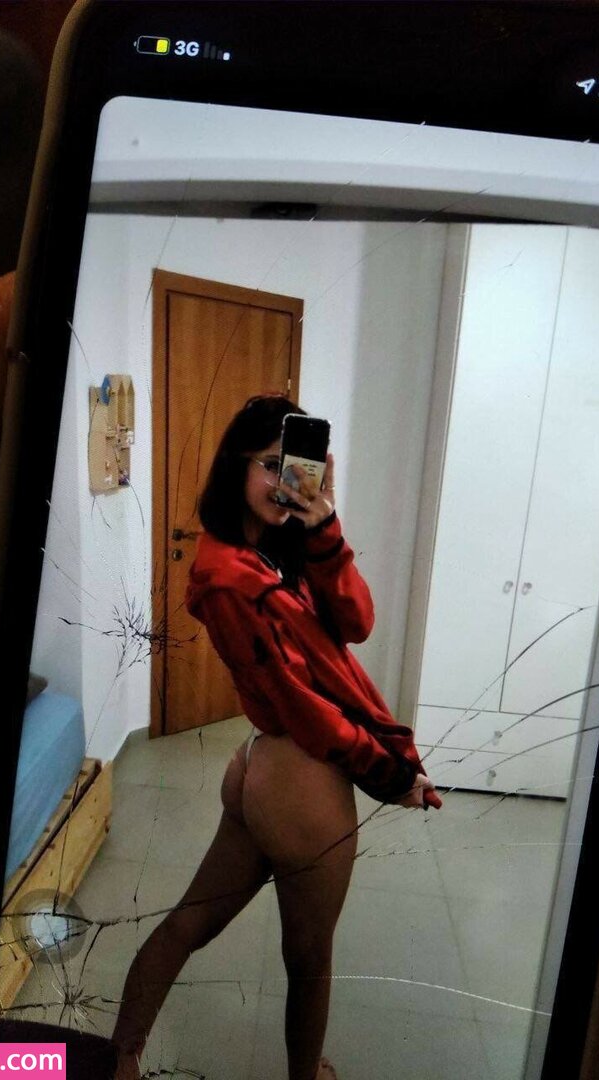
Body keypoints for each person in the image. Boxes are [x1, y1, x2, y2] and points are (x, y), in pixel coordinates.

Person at [111, 395, 441, 1080]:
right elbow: (302, 707)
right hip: (297, 775)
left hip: (266, 767)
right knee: (310, 958)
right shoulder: (229, 577)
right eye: (269, 464)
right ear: (234, 465)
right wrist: (387, 774)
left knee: (193, 922)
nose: (284, 482)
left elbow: (356, 623)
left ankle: (123, 1058)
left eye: (297, 467)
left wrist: (324, 529)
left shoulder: (280, 547)